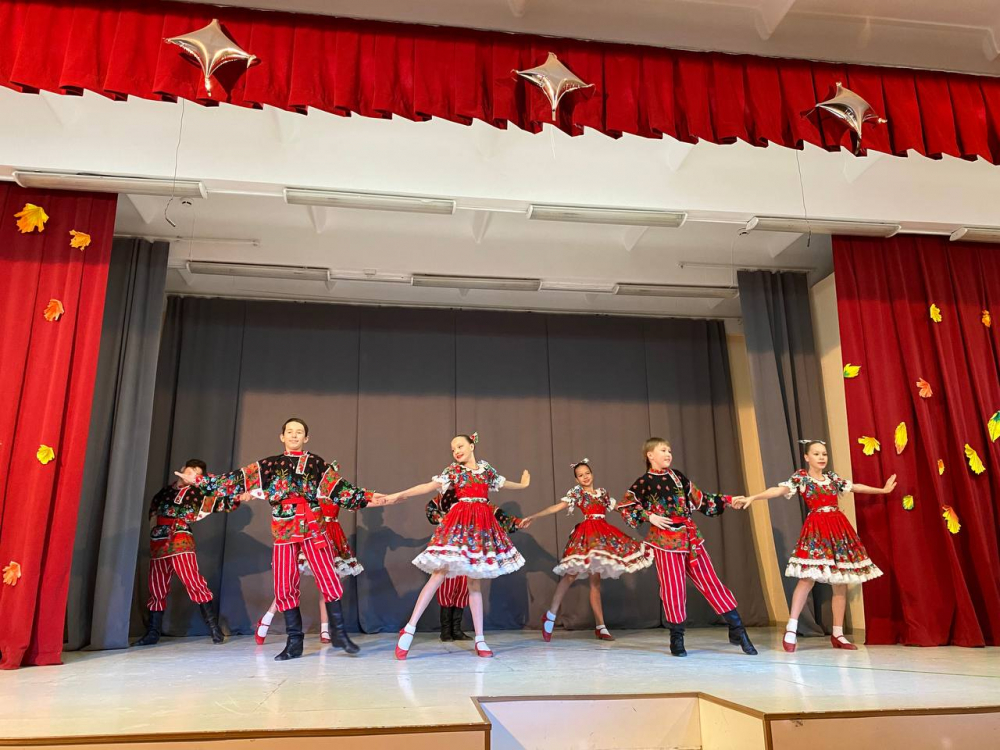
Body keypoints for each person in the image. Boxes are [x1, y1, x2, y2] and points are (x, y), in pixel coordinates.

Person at [177, 417, 386, 661]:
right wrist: (200, 480)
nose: (294, 435)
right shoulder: (269, 465)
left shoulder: (316, 463)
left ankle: (339, 633)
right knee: (284, 584)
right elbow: (236, 480)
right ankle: (294, 641)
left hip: (312, 527)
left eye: (299, 432)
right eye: (290, 431)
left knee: (328, 577)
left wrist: (370, 496)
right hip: (284, 531)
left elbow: (341, 489)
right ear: (282, 436)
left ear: (306, 437)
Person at [734, 439, 895, 652]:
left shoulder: (832, 478)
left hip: (838, 530)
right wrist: (753, 497)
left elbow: (855, 487)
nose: (821, 457)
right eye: (817, 454)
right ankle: (791, 629)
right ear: (807, 457)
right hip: (817, 531)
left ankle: (838, 633)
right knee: (807, 579)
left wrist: (882, 490)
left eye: (824, 454)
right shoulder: (801, 478)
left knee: (840, 581)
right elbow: (779, 490)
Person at [383, 432, 529, 659]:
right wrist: (399, 495)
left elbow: (502, 482)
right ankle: (409, 629)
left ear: (472, 446)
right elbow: (428, 486)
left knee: (474, 582)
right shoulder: (454, 471)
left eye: (460, 446)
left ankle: (480, 639)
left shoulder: (486, 470)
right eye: (453, 449)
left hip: (480, 526)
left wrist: (522, 484)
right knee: (438, 575)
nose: (456, 451)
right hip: (460, 523)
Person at [619, 437, 756, 657]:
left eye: (669, 450)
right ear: (650, 455)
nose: (668, 454)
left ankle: (737, 628)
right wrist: (649, 516)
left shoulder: (678, 477)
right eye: (663, 450)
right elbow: (625, 506)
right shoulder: (644, 482)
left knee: (710, 581)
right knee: (673, 588)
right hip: (665, 541)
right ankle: (677, 637)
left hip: (689, 537)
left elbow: (701, 499)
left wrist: (729, 500)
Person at [520, 458, 651, 642]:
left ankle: (601, 627)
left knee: (595, 582)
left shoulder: (603, 494)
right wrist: (535, 516)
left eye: (587, 473)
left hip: (602, 536)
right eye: (580, 475)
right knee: (570, 576)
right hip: (586, 536)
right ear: (577, 480)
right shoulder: (578, 493)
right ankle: (550, 615)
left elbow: (620, 508)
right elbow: (558, 506)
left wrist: (646, 514)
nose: (585, 477)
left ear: (592, 474)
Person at [134, 459, 241, 647]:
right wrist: (153, 534)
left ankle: (214, 627)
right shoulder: (164, 493)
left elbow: (226, 502)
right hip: (159, 542)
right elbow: (153, 512)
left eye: (197, 475)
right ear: (183, 469)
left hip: (181, 539)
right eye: (191, 472)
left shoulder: (197, 493)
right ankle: (153, 632)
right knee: (156, 587)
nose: (192, 477)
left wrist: (209, 485)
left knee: (193, 581)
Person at [254, 499, 367, 645]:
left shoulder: (332, 489)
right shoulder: (310, 491)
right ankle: (266, 619)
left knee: (327, 580)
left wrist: (390, 498)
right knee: (289, 580)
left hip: (331, 533)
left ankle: (325, 628)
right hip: (310, 532)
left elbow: (359, 497)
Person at [425, 490, 471, 642]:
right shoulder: (447, 495)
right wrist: (443, 520)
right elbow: (430, 507)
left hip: (467, 543)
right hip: (449, 543)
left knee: (463, 586)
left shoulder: (473, 497)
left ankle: (456, 630)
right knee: (447, 585)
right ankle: (445, 631)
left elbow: (489, 512)